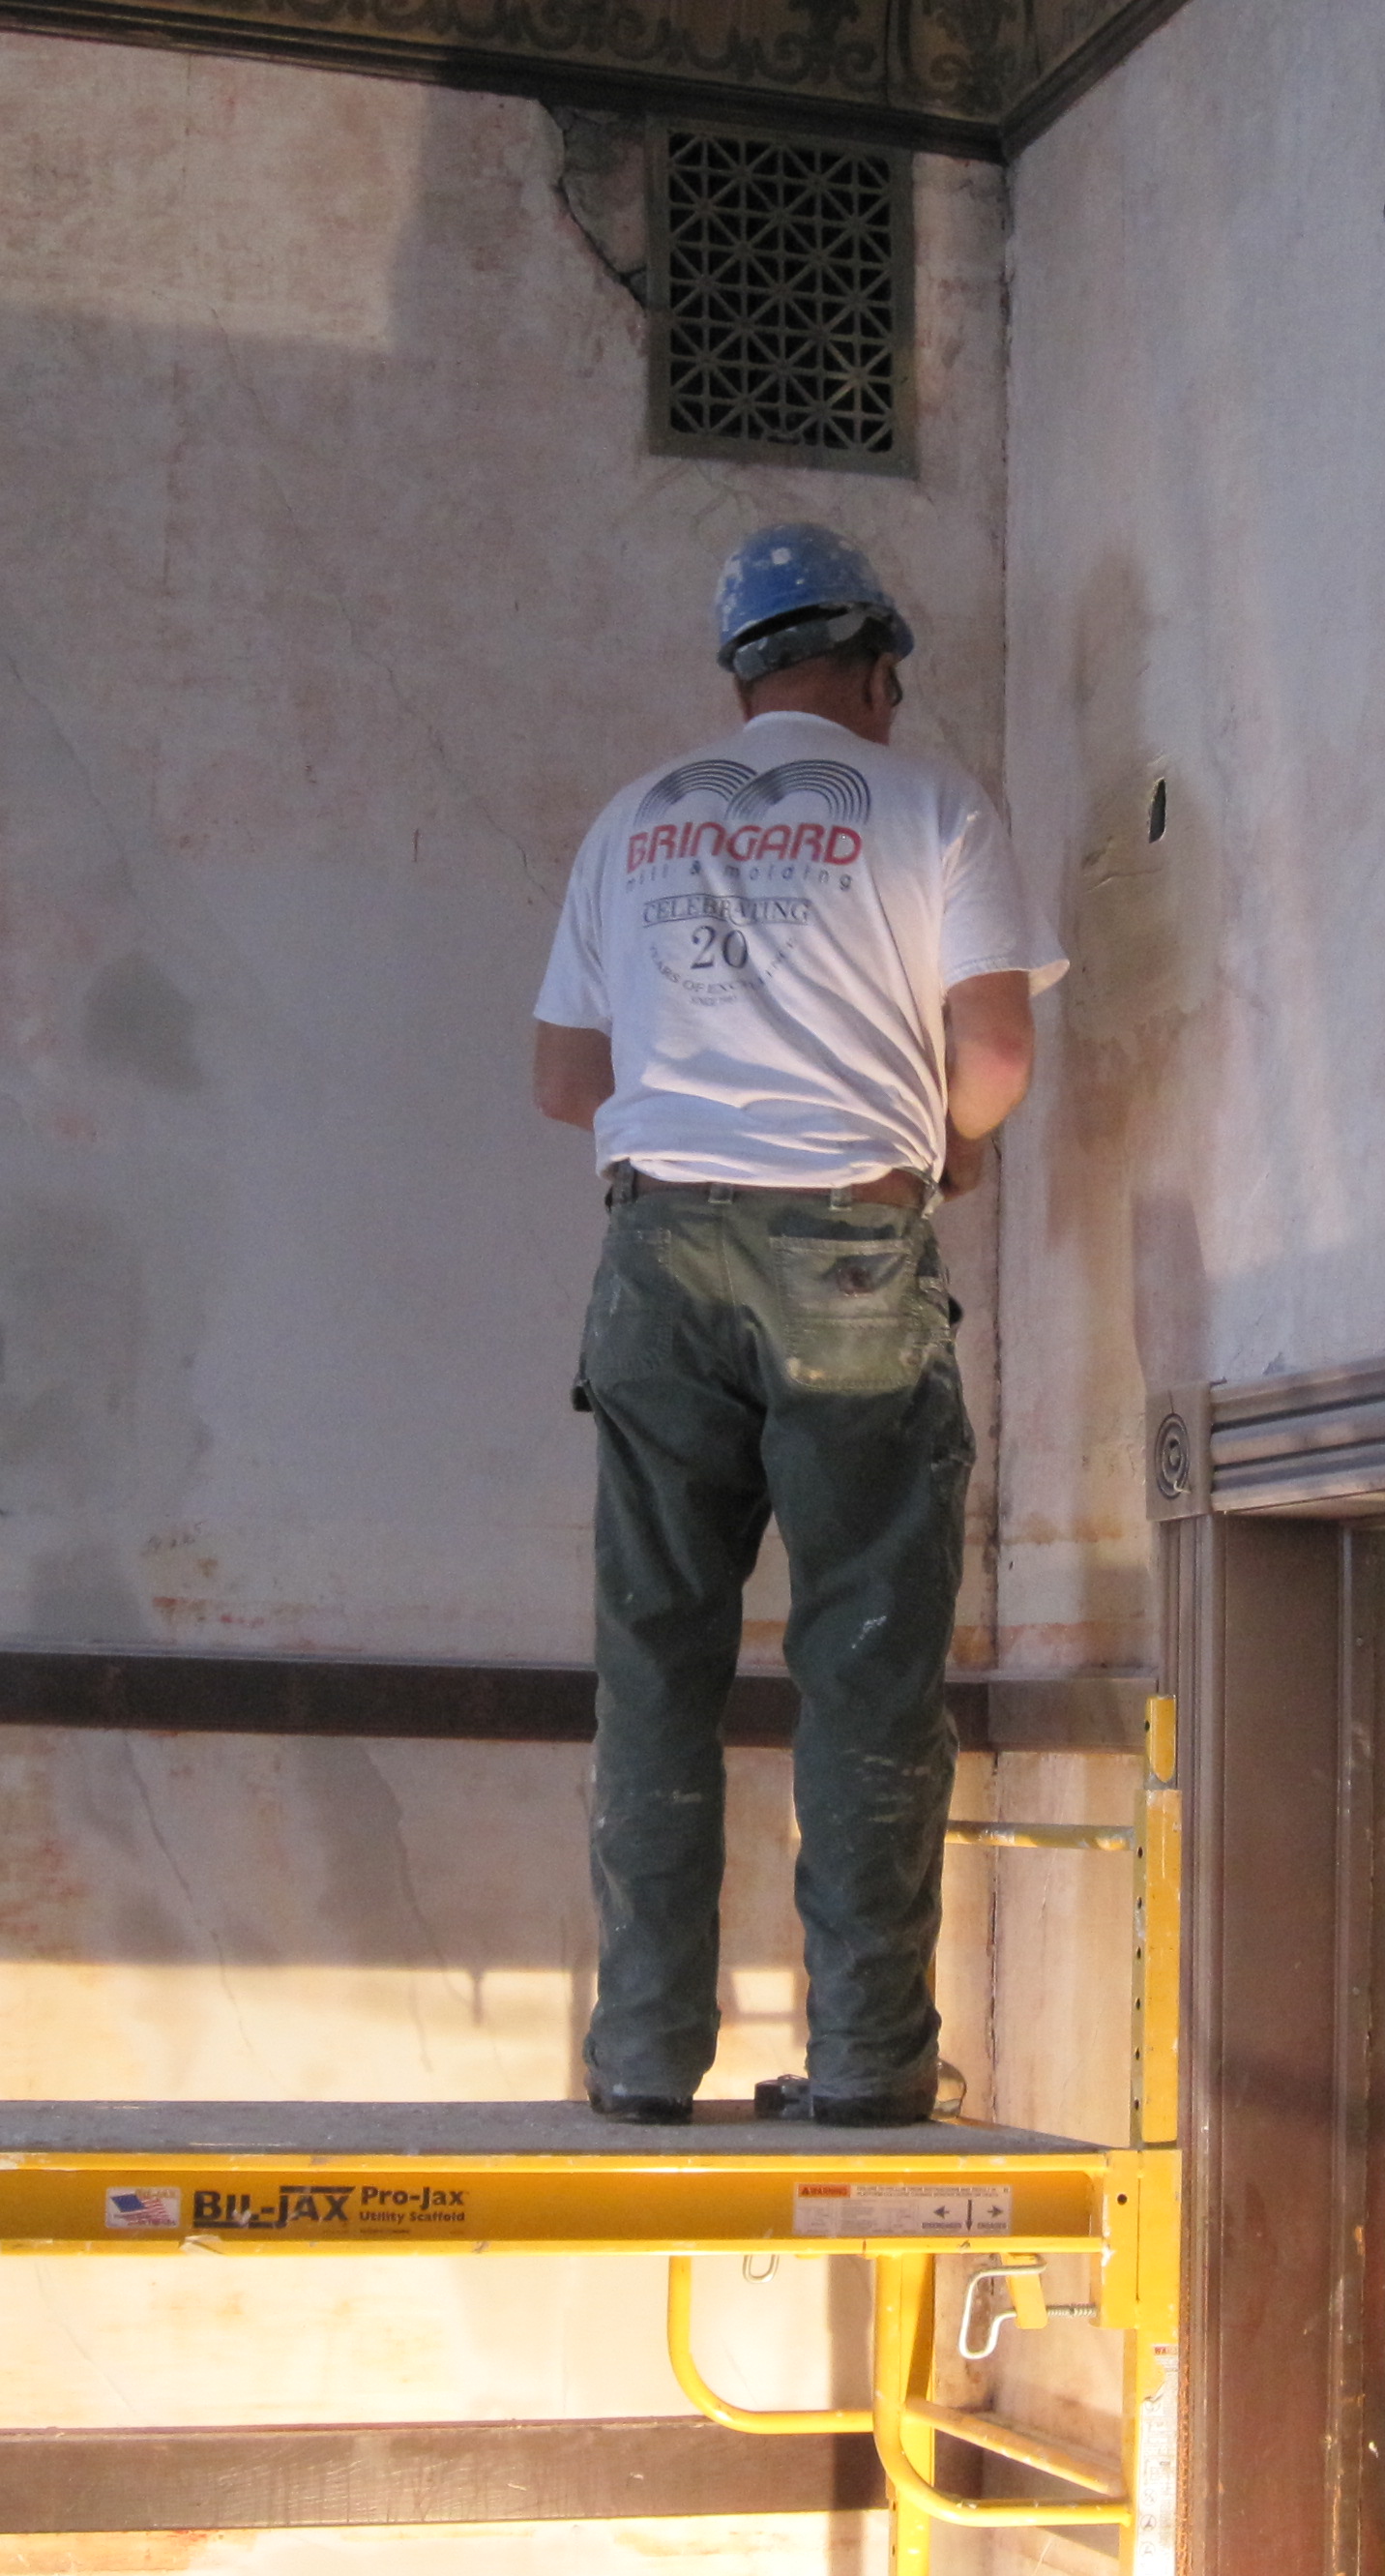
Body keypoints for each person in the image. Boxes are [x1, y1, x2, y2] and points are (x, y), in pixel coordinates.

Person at [532, 523, 1064, 2128]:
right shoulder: (932, 807)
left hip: (656, 1262)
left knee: (655, 1667)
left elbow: (565, 1080)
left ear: (743, 677)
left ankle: (641, 2060)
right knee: (867, 1667)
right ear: (877, 665)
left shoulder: (631, 822)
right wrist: (945, 1141)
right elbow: (997, 1060)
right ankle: (868, 2065)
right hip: (849, 1258)